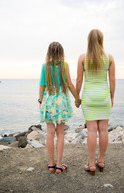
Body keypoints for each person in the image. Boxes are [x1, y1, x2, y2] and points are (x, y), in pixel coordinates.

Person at [76, 29, 115, 175]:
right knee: (103, 130)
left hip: (89, 98)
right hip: (104, 97)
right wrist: (112, 97)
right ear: (101, 40)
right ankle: (101, 160)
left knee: (91, 130)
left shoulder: (82, 58)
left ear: (88, 40)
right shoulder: (109, 57)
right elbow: (112, 80)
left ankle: (91, 163)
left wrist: (77, 97)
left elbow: (79, 80)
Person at [39, 42, 81, 174]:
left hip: (49, 101)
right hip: (61, 101)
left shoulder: (45, 67)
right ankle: (59, 165)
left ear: (49, 52)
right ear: (61, 53)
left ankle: (51, 164)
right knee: (60, 133)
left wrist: (40, 101)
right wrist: (77, 98)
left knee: (50, 133)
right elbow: (69, 84)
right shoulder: (64, 66)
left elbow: (42, 85)